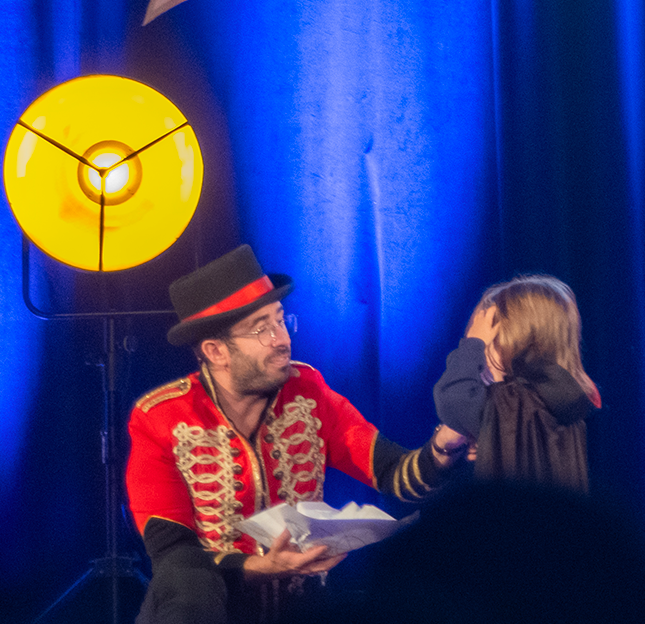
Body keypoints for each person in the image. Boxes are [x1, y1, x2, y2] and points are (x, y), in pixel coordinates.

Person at [126, 245, 468, 624]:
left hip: (303, 610)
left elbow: (392, 473)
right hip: (208, 611)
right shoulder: (161, 418)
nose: (282, 339)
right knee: (185, 585)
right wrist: (260, 567)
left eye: (280, 320)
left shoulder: (307, 391)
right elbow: (173, 557)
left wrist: (442, 450)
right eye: (262, 329)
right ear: (215, 351)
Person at [431, 275, 600, 492]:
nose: (482, 354)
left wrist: (472, 344)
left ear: (515, 339)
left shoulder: (513, 402)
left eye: (487, 339)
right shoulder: (567, 397)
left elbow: (453, 399)